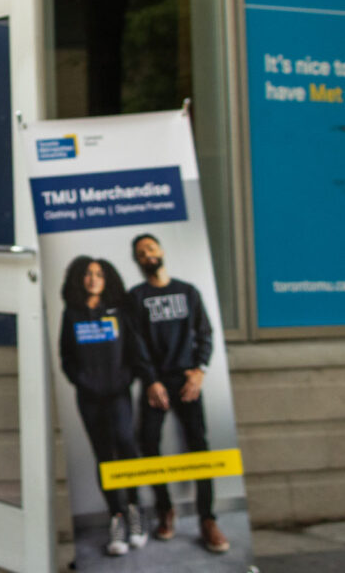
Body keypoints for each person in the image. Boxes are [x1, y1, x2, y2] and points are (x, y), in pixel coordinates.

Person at [127, 233, 227, 554]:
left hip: (187, 381)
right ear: (138, 261)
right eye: (141, 253)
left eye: (151, 249)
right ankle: (165, 511)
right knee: (148, 443)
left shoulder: (187, 291)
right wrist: (152, 381)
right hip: (155, 382)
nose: (148, 255)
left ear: (162, 251)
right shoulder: (136, 297)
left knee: (200, 447)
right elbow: (135, 344)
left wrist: (200, 371)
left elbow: (206, 334)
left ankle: (207, 520)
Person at [58, 256, 146, 557]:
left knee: (127, 447)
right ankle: (117, 517)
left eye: (98, 274)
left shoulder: (119, 312)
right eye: (87, 274)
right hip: (89, 399)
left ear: (107, 279)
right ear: (80, 279)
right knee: (105, 456)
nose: (93, 278)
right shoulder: (72, 314)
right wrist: (84, 381)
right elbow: (66, 358)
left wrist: (124, 380)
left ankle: (134, 511)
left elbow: (134, 351)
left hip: (119, 394)